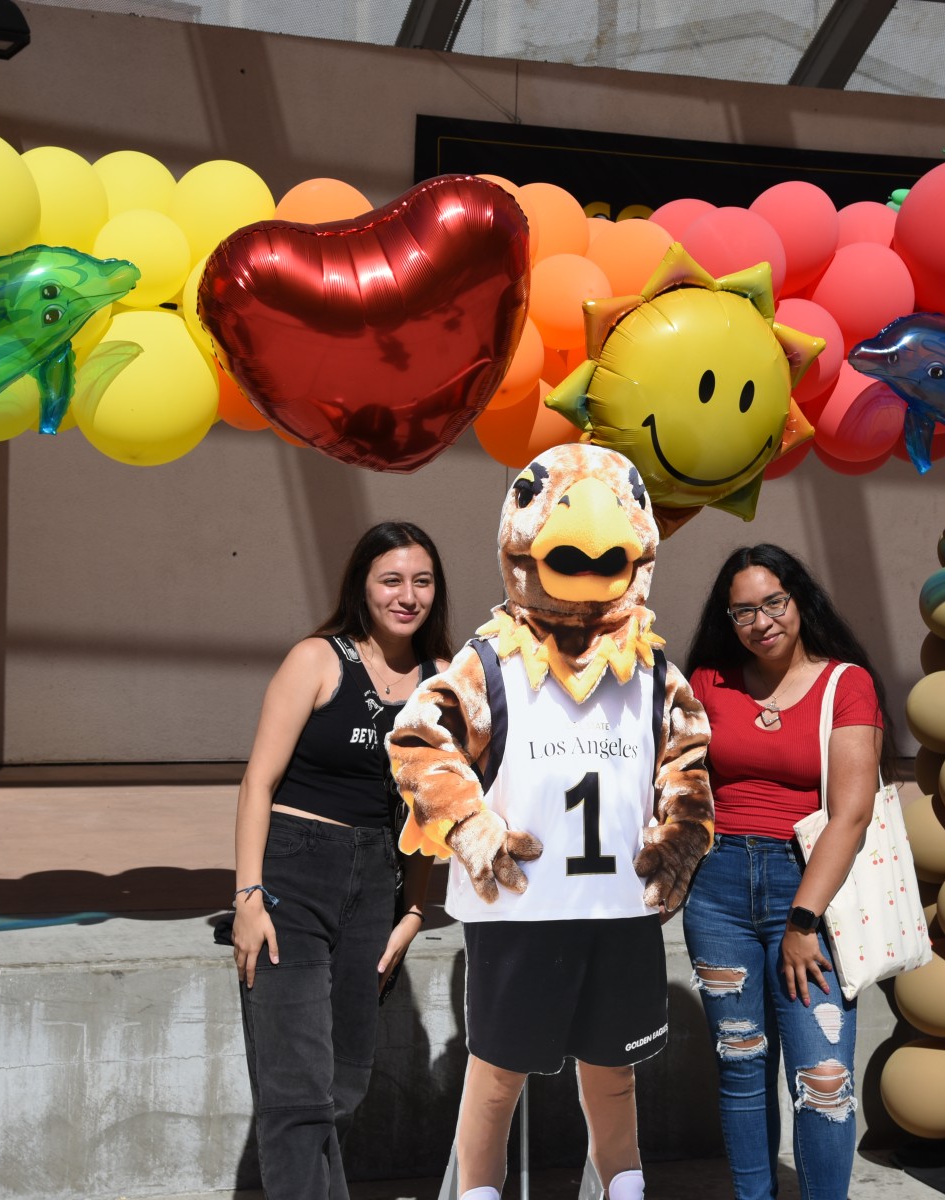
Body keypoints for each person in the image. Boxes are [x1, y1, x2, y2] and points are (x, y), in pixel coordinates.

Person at [389, 444, 714, 1200]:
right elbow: (419, 740)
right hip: (521, 913)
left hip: (617, 911)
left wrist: (682, 829)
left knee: (614, 1072)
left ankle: (625, 1189)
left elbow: (687, 760)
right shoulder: (491, 659)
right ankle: (476, 1193)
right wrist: (467, 821)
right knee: (497, 1074)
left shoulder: (654, 668)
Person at [231, 521, 451, 1200]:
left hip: (375, 882)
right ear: (363, 584)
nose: (406, 595)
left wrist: (414, 910)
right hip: (294, 873)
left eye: (421, 581)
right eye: (391, 579)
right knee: (297, 1090)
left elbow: (430, 810)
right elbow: (256, 784)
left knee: (346, 1078)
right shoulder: (318, 660)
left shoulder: (442, 682)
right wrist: (247, 898)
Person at [681, 544, 890, 1200]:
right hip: (716, 893)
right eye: (743, 610)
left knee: (823, 1078)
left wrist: (803, 919)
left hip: (809, 890)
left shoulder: (844, 683)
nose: (761, 620)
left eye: (774, 602)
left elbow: (850, 815)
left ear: (799, 601)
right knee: (741, 1066)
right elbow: (674, 781)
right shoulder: (709, 682)